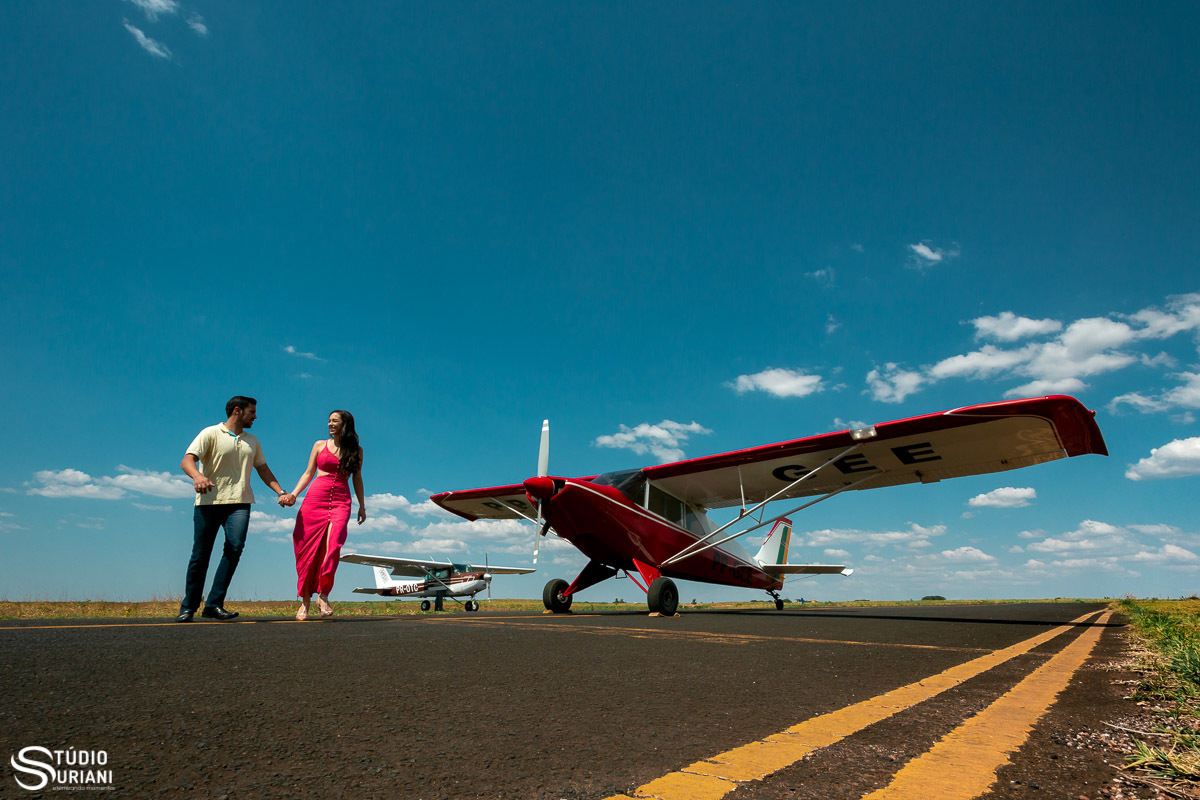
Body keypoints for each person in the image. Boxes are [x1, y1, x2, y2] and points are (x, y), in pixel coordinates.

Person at [177, 396, 290, 623]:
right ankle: (188, 607)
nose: (255, 417)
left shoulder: (252, 440)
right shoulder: (210, 433)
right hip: (209, 502)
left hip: (240, 502)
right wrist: (198, 476)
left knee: (234, 547)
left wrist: (281, 492)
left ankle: (214, 604)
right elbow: (187, 461)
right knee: (201, 555)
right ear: (237, 411)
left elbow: (263, 470)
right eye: (252, 412)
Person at [280, 409, 366, 620]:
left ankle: (324, 595)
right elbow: (308, 473)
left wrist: (362, 506)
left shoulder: (357, 450)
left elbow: (357, 478)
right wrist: (293, 494)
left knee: (333, 547)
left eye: (334, 421)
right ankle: (305, 602)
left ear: (345, 424)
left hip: (341, 501)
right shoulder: (319, 445)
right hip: (316, 498)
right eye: (329, 421)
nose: (330, 424)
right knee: (308, 549)